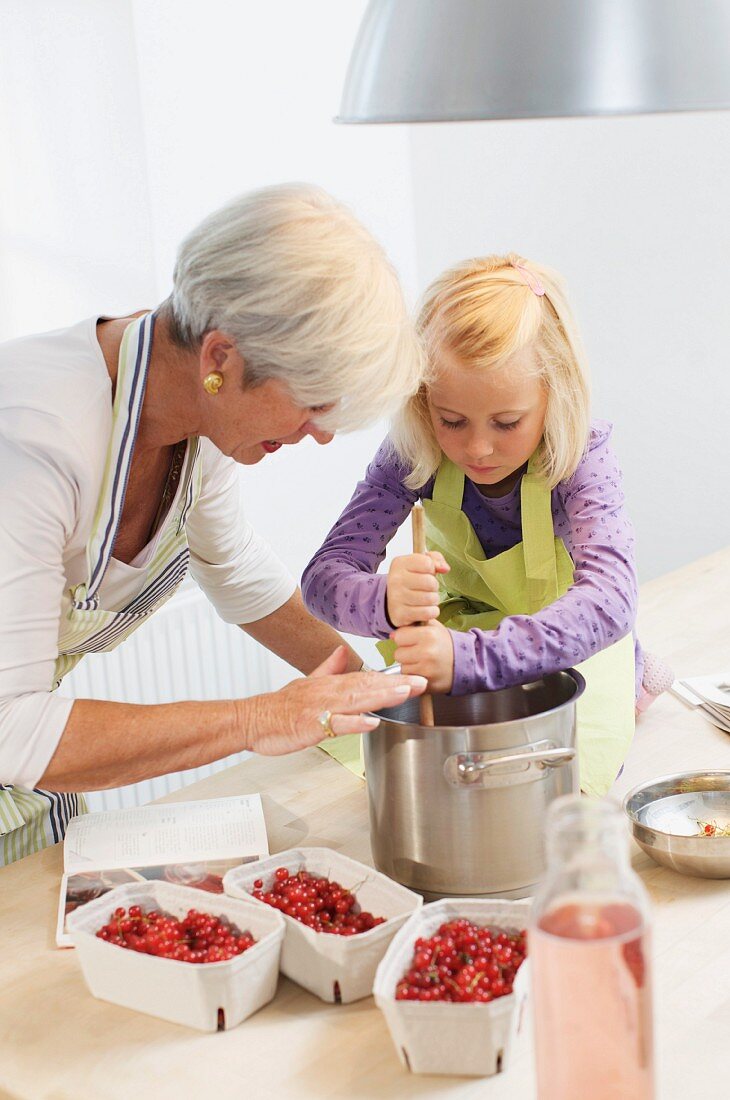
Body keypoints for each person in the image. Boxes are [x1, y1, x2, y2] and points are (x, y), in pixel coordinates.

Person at [0, 183, 428, 864]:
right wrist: (259, 718)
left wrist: (383, 696)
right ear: (221, 359)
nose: (319, 435)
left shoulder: (195, 414)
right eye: (313, 403)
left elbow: (234, 570)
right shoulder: (34, 439)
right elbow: (11, 728)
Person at [303, 253, 670, 797]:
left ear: (555, 395)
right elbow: (323, 579)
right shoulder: (412, 450)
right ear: (422, 400)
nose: (477, 447)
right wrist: (385, 602)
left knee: (555, 789)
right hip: (463, 637)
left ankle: (636, 673)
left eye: (507, 423)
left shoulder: (583, 456)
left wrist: (473, 660)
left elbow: (611, 600)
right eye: (451, 420)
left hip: (566, 644)